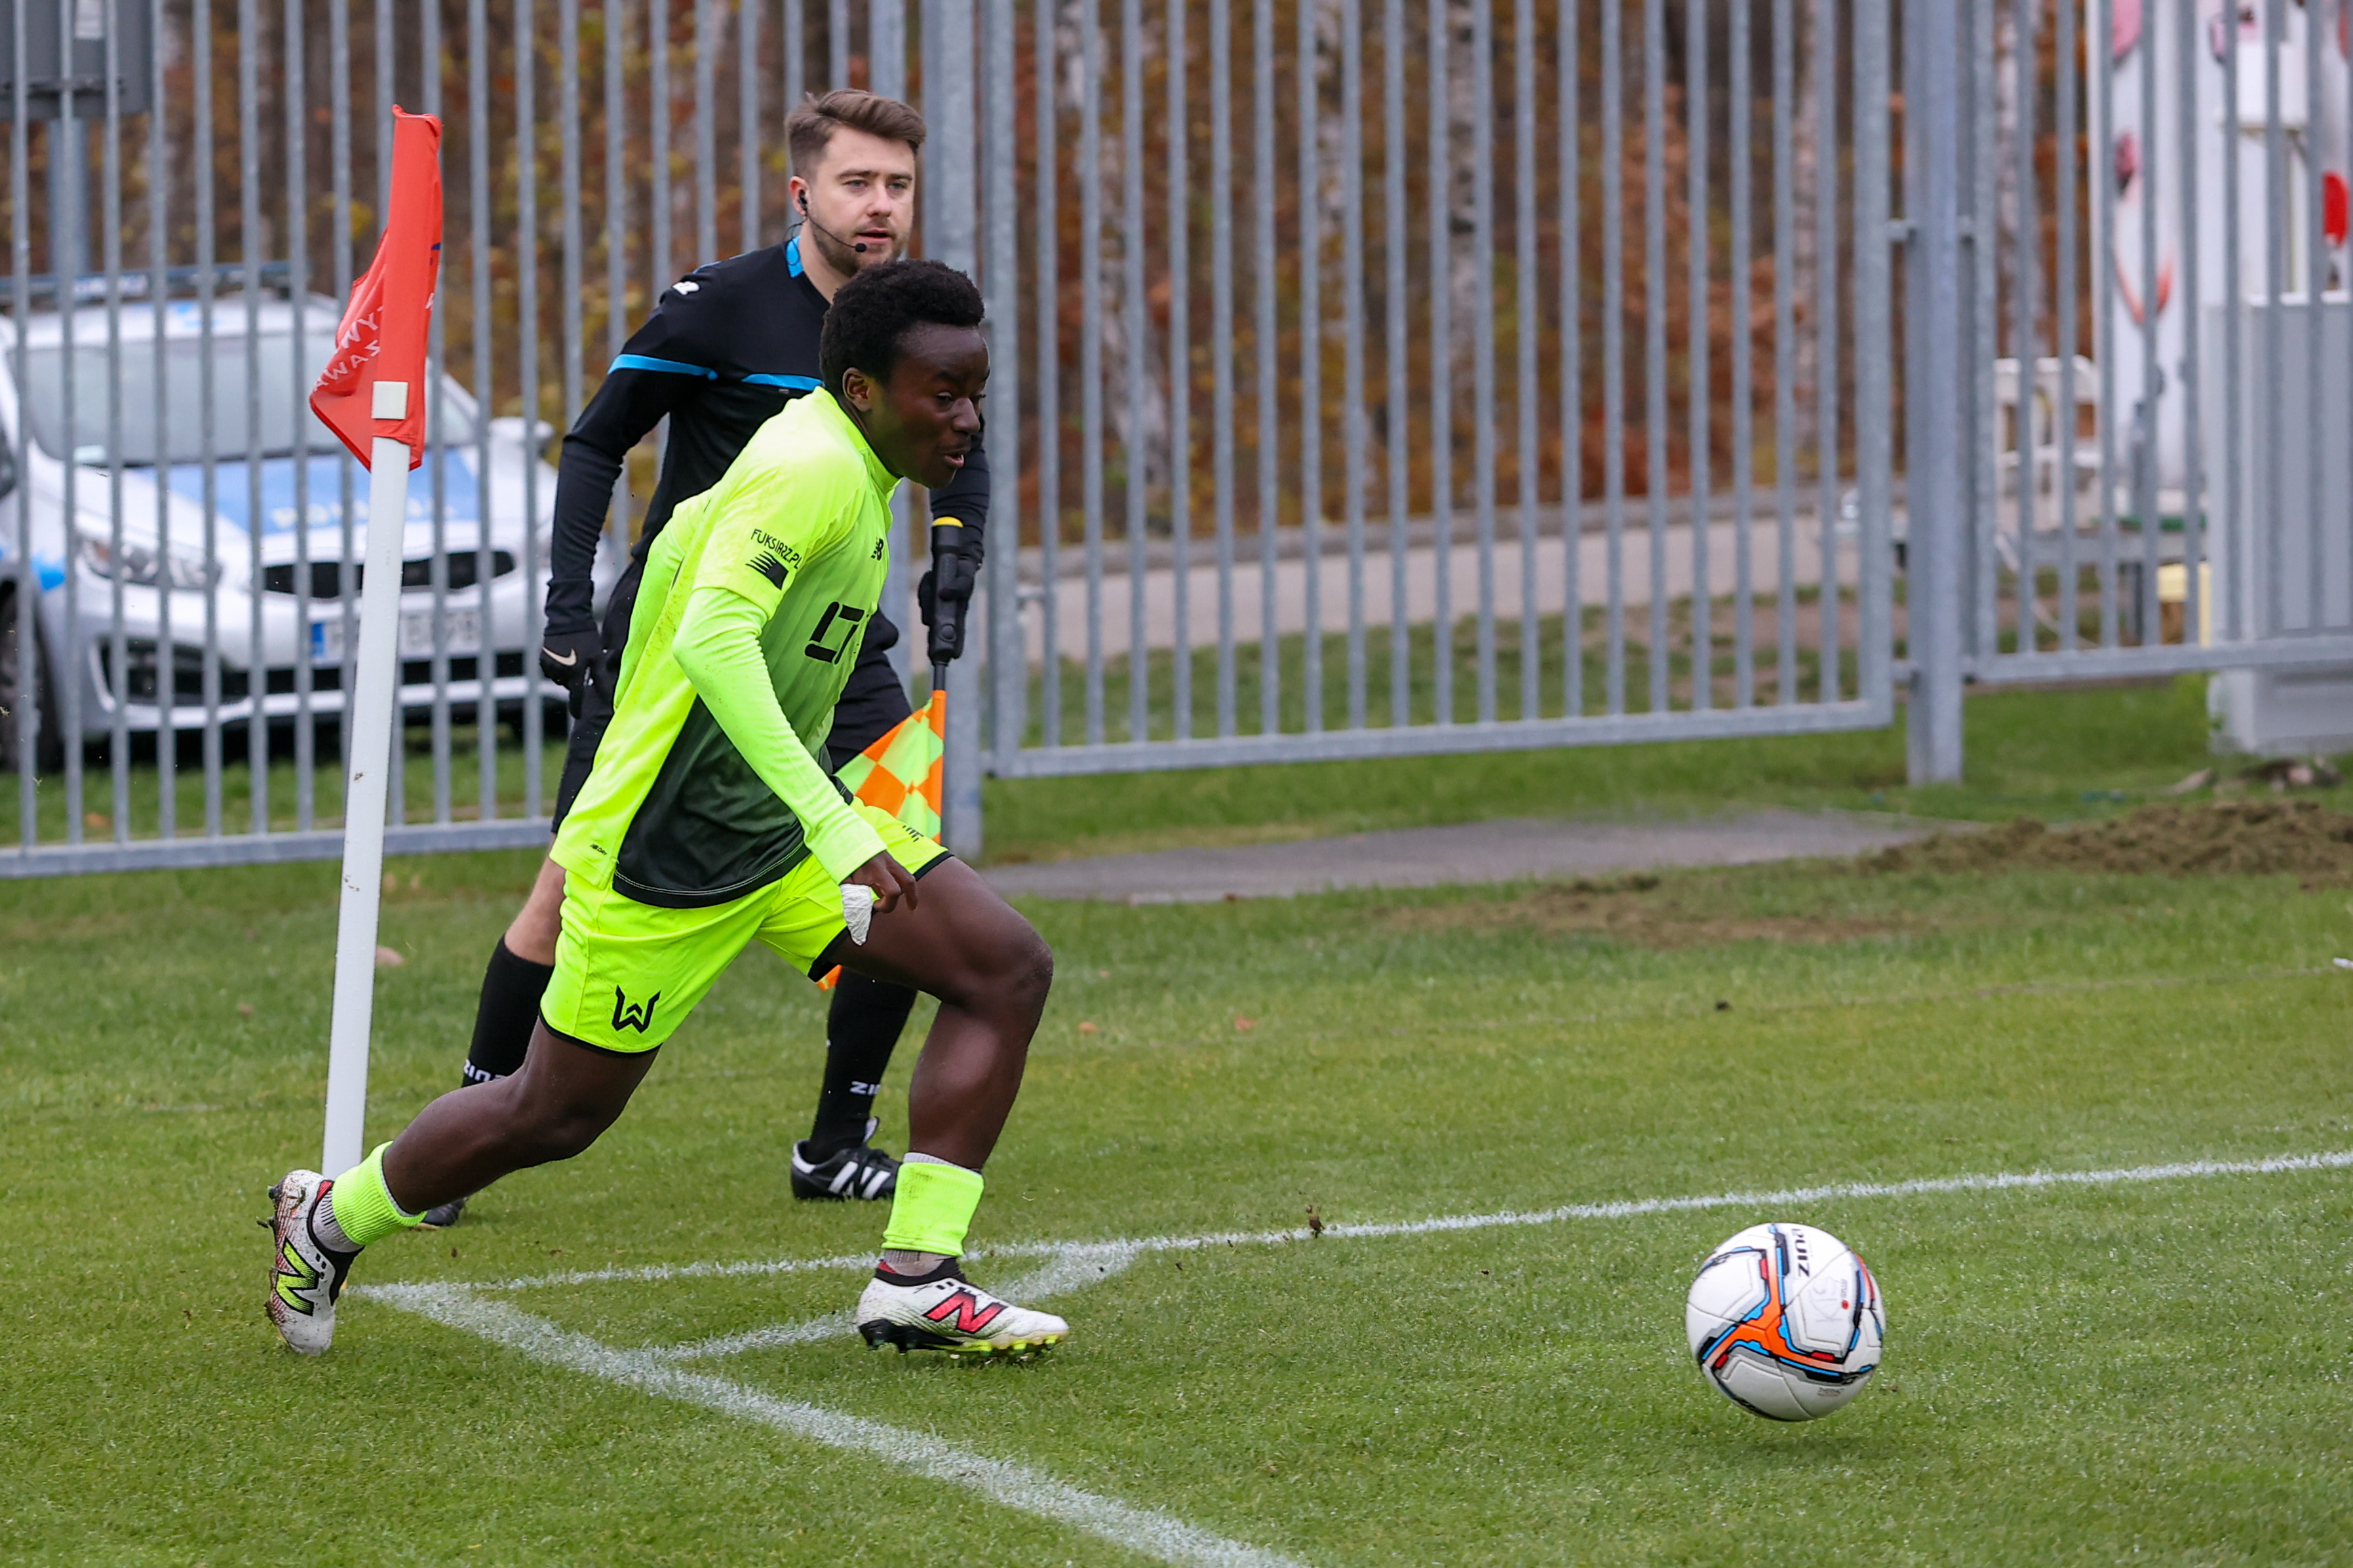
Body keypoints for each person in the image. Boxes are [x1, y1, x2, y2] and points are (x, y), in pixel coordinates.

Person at [268, 259, 1066, 1359]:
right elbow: (711, 638)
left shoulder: (857, 461)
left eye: (977, 389)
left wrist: (824, 817)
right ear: (864, 389)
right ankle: (328, 1217)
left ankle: (918, 1276)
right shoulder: (808, 471)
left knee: (1003, 967)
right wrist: (839, 822)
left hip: (775, 831)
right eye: (945, 392)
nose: (968, 418)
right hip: (663, 850)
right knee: (552, 1113)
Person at [434, 89, 982, 1226]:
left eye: (898, 185)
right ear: (803, 192)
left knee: (896, 872)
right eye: (856, 183)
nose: (880, 206)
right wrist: (566, 601)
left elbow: (953, 435)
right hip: (687, 645)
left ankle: (837, 1142)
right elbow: (595, 440)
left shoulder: (905, 322)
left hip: (835, 652)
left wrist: (951, 552)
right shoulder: (721, 305)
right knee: (565, 885)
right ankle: (473, 1123)